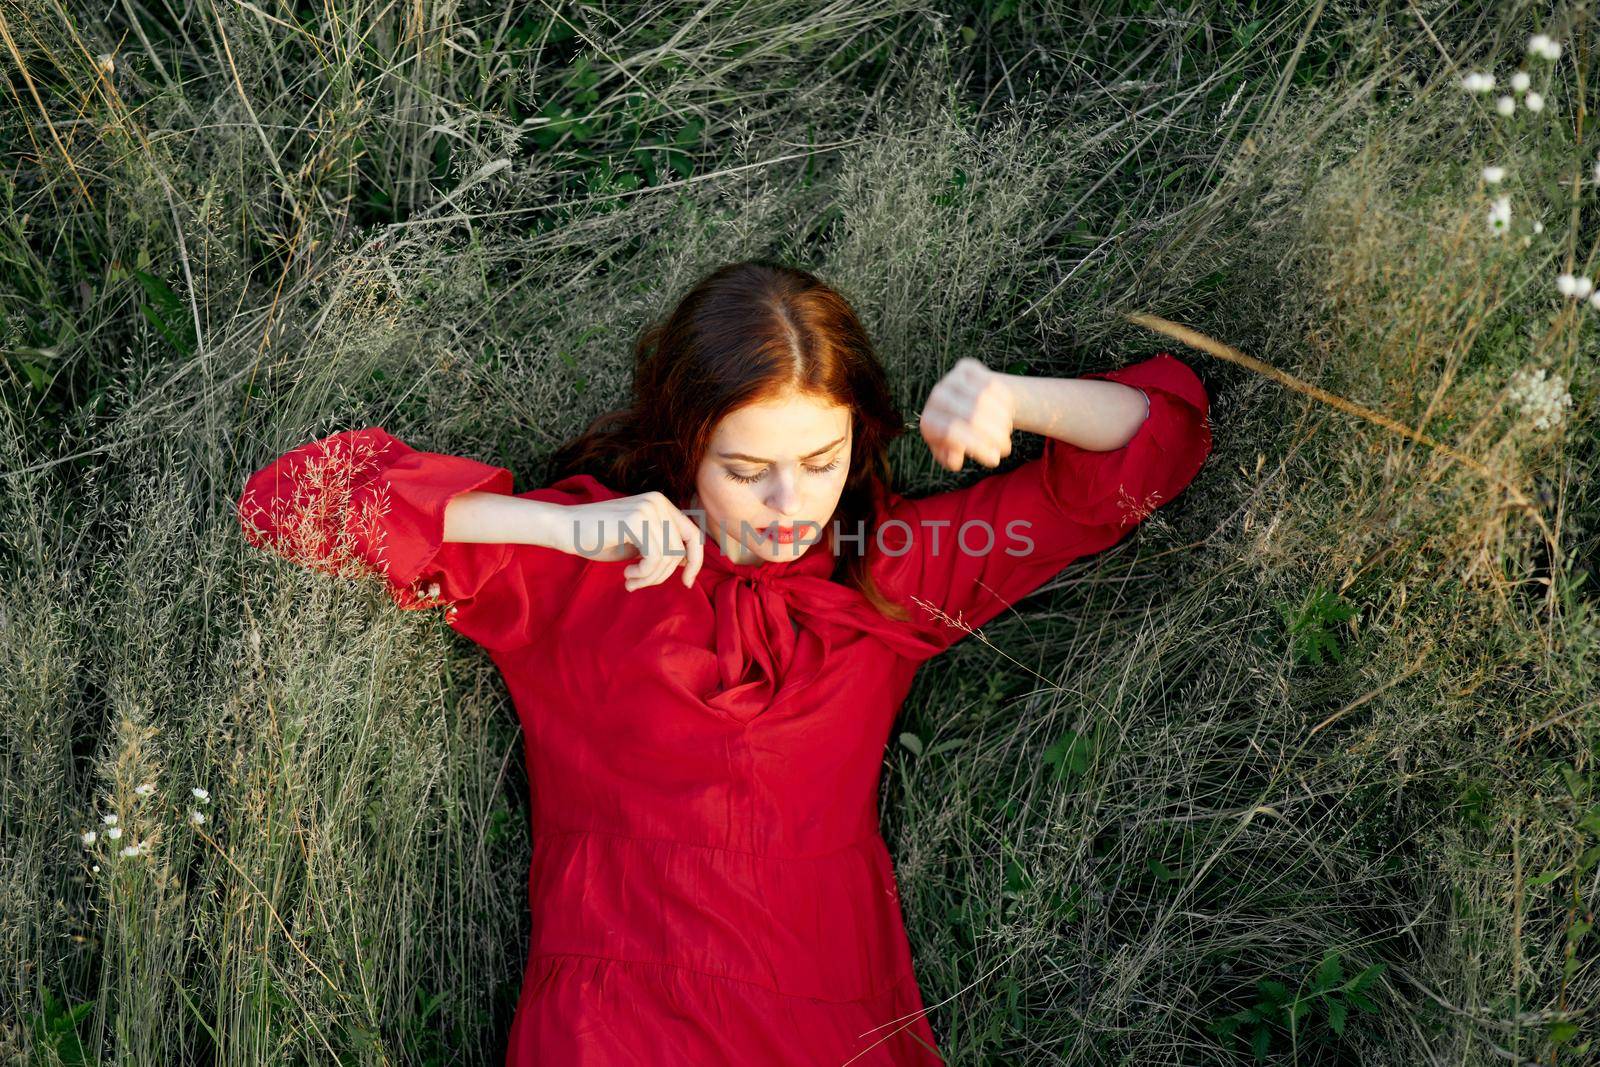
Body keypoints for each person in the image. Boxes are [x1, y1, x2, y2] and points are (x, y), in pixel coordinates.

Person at [235, 259, 1214, 1065]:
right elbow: (292, 503)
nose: (789, 501)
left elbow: (1155, 449)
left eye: (821, 462)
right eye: (747, 470)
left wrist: (1015, 396)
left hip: (829, 1019)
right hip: (615, 1021)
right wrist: (556, 530)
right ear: (687, 444)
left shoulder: (894, 576)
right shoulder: (578, 569)